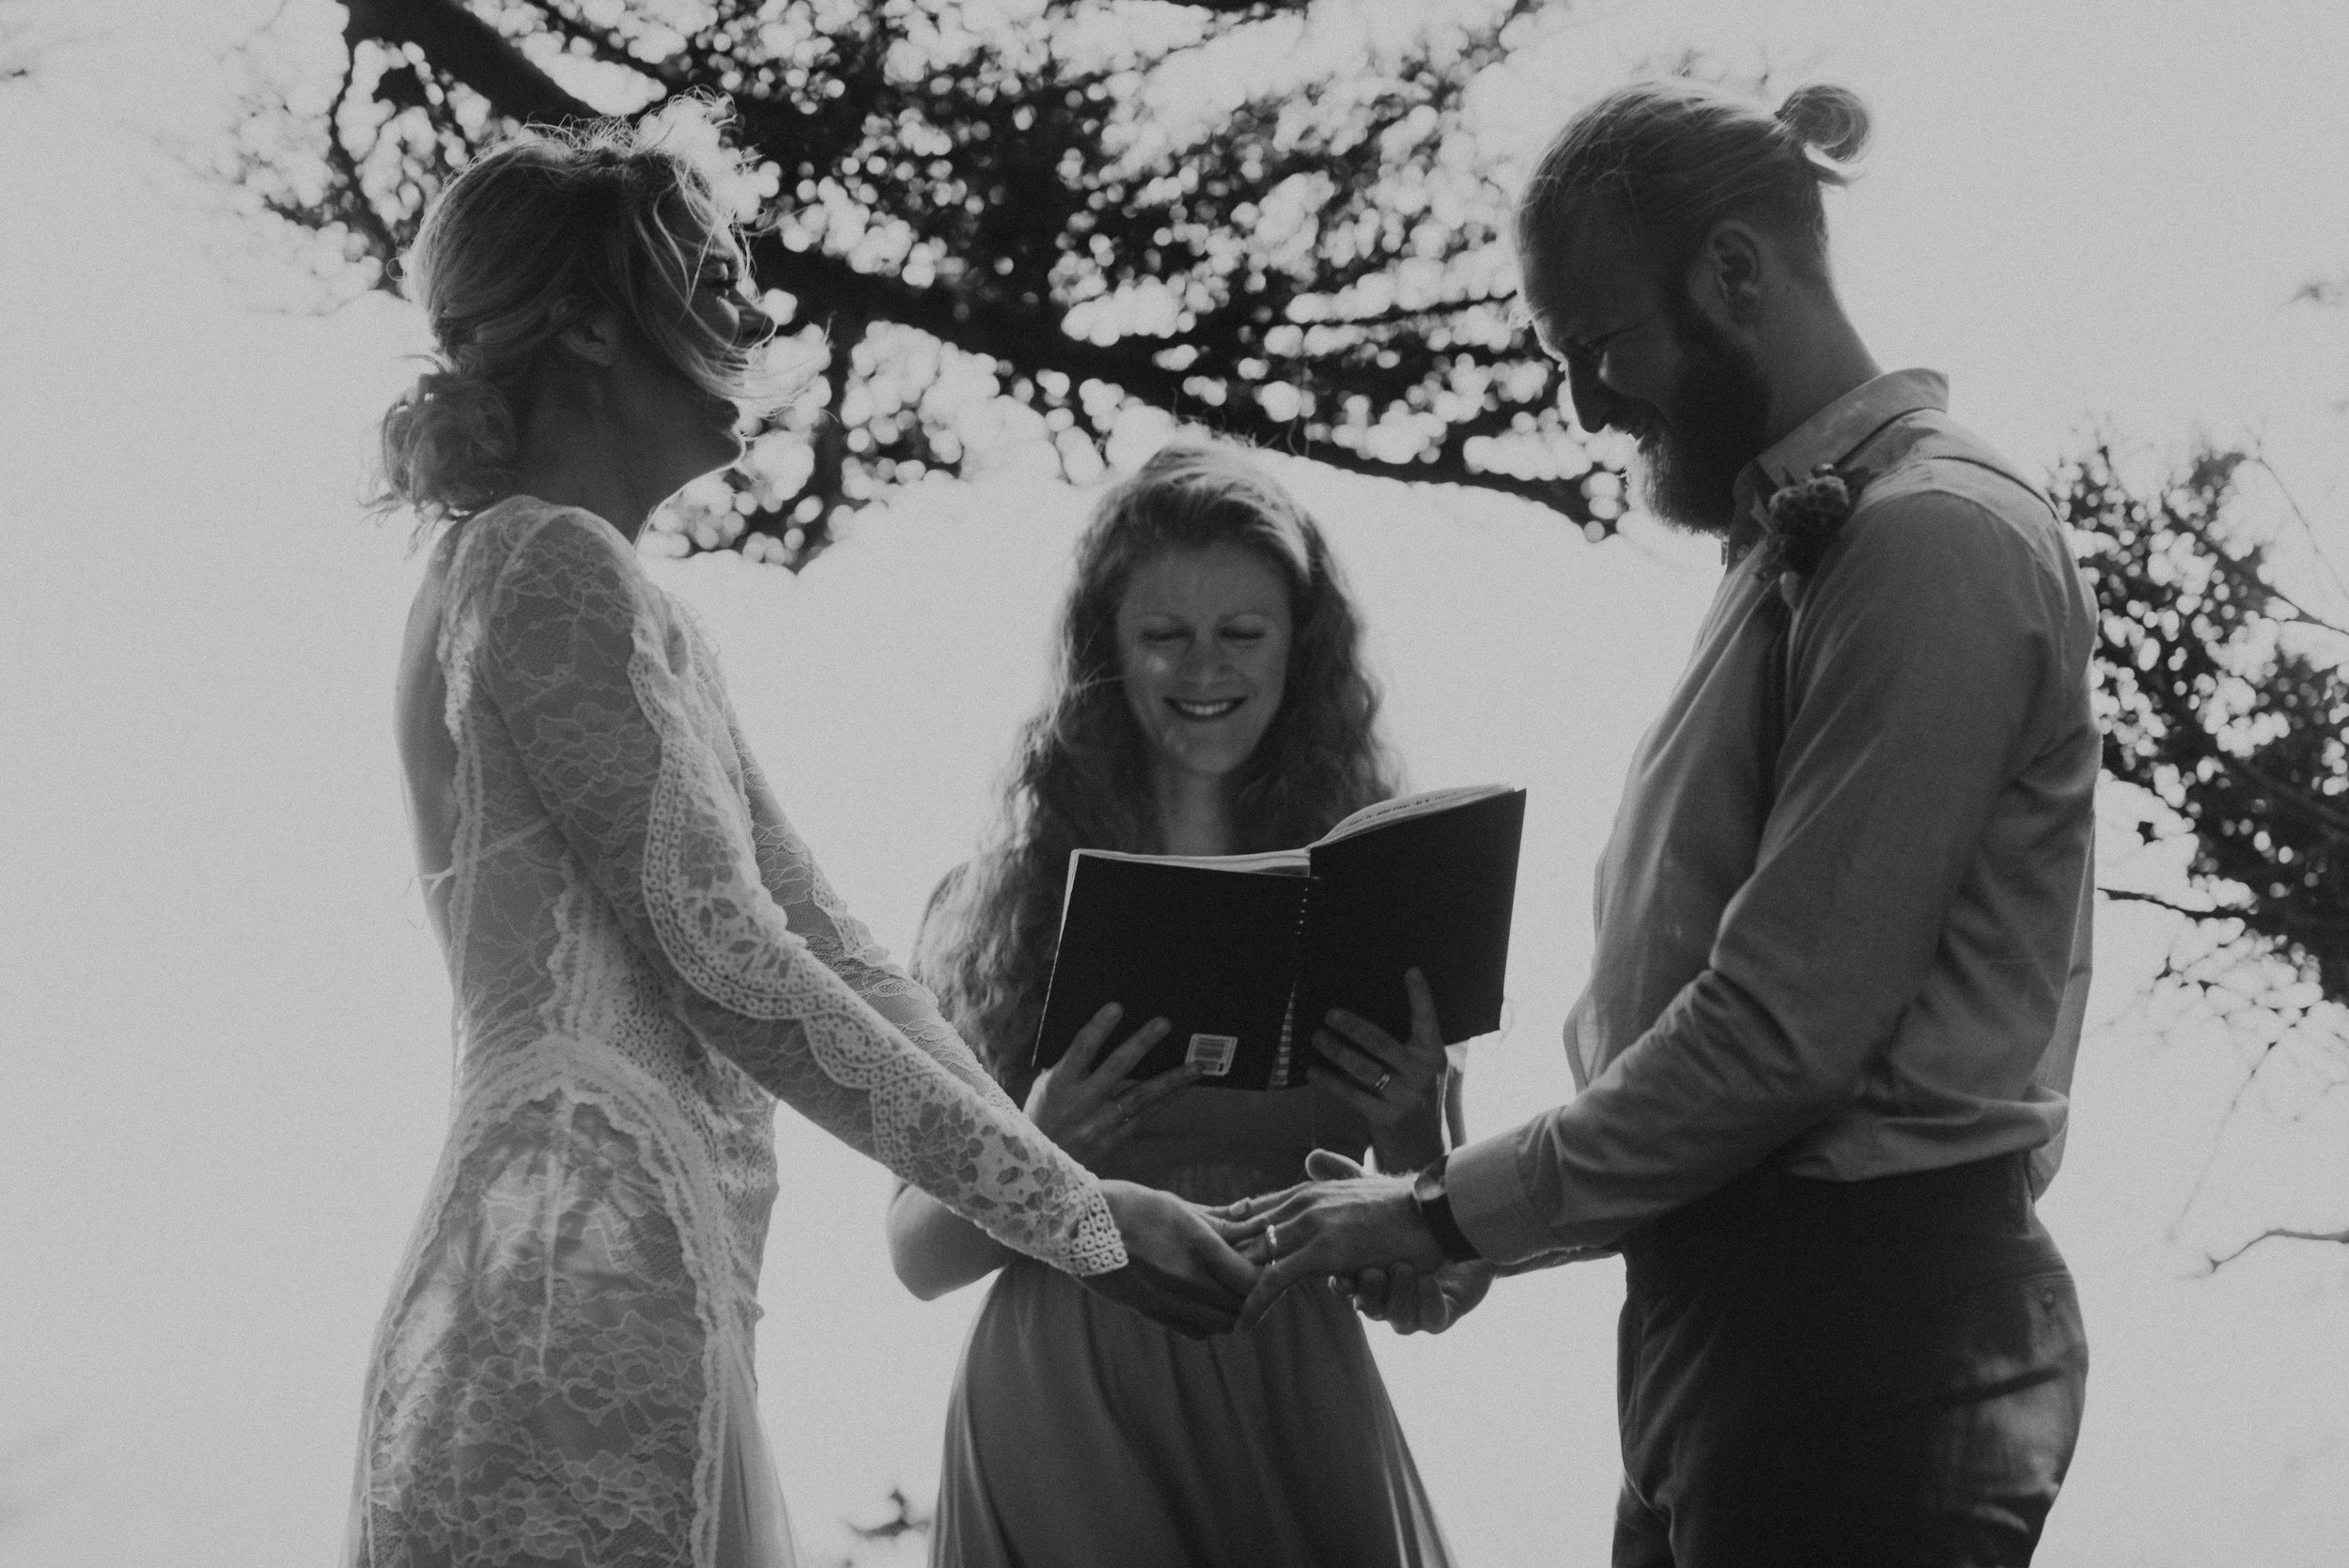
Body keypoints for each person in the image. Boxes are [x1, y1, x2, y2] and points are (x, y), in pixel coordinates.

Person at [345, 115, 1255, 1568]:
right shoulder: (543, 560)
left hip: (650, 1258)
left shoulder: (623, 597)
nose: (755, 312)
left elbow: (830, 944)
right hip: (572, 1259)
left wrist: (1074, 1201)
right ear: (586, 323)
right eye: (708, 276)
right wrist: (1076, 1215)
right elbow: (724, 960)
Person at [1229, 79, 2097, 1565]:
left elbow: (1780, 1038)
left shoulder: (1930, 541)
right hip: (1753, 1333)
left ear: (1736, 274)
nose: (1584, 403)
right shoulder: (1801, 542)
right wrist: (1453, 1215)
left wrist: (1444, 1212)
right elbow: (1733, 1093)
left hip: (1864, 1347)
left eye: (1599, 343)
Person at [888, 444, 1459, 1568]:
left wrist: (1408, 1133)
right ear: (1104, 650)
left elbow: (1437, 1284)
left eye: (1242, 632)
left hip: (1295, 1403)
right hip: (1064, 1413)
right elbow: (915, 1252)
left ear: (1302, 647)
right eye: (1164, 634)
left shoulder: (1379, 893)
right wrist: (1037, 1150)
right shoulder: (996, 904)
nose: (1205, 666)